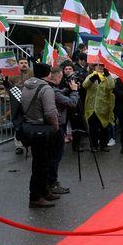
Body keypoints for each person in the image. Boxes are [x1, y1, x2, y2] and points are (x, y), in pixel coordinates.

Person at [21, 62, 59, 208]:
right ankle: (36, 196)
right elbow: (50, 112)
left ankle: (43, 191)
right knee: (40, 165)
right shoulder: (46, 88)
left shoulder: (26, 85)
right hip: (43, 129)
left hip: (30, 127)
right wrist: (55, 127)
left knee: (40, 163)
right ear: (47, 73)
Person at [46, 66, 79, 196]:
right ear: (57, 77)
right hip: (56, 126)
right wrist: (75, 91)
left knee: (50, 157)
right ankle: (52, 183)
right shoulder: (53, 91)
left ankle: (49, 183)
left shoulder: (45, 87)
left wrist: (67, 89)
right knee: (55, 157)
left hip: (48, 127)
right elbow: (71, 103)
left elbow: (59, 94)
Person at [83, 64, 116, 152]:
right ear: (94, 67)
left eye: (102, 66)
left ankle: (103, 145)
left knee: (104, 127)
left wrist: (108, 76)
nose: (100, 67)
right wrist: (92, 78)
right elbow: (84, 85)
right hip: (91, 108)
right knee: (93, 129)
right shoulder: (90, 76)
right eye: (98, 66)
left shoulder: (107, 77)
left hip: (104, 107)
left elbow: (112, 86)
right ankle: (94, 146)